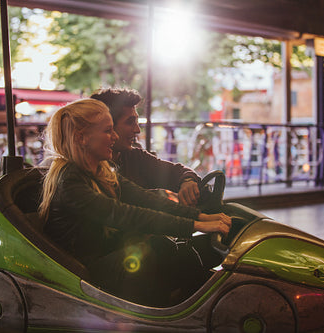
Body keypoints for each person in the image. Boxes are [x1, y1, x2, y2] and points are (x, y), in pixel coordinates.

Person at [38, 98, 232, 306]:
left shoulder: (101, 170)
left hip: (104, 252)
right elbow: (124, 214)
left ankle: (208, 304)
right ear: (82, 137)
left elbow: (144, 199)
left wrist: (201, 216)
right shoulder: (68, 180)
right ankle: (154, 317)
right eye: (107, 131)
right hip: (81, 271)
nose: (114, 137)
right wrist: (196, 225)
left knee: (167, 246)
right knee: (144, 256)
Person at [90, 88, 201, 206]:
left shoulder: (135, 157)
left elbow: (177, 171)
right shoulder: (88, 169)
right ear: (108, 125)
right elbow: (134, 214)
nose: (137, 130)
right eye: (130, 122)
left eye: (137, 122)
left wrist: (188, 180)